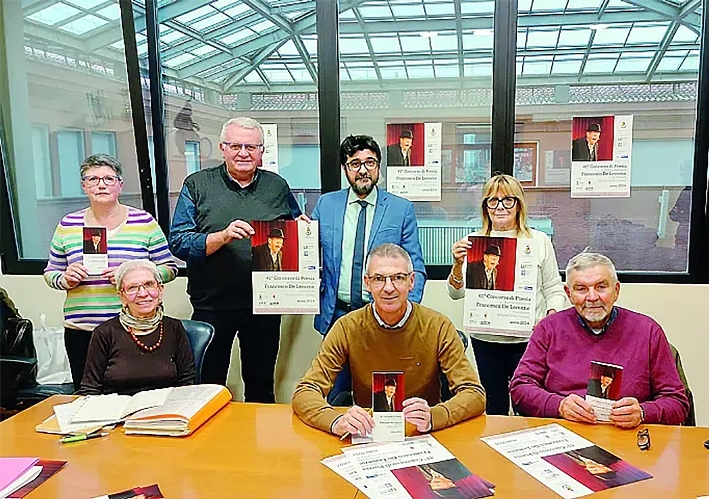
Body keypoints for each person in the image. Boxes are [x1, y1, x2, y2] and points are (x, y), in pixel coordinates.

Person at [169, 117, 301, 402]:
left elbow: (292, 232)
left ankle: (261, 445)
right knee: (207, 388)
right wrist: (222, 236)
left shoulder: (277, 186)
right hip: (212, 305)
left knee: (261, 386)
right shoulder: (197, 184)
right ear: (222, 148)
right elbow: (178, 242)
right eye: (236, 146)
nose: (244, 153)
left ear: (262, 151)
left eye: (252, 146)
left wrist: (303, 230)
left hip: (265, 306)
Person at [292, 243, 485, 436]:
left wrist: (435, 416)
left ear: (412, 281)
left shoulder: (438, 326)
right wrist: (336, 421)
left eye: (398, 278)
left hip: (423, 434)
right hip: (367, 434)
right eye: (378, 279)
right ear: (367, 283)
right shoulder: (347, 327)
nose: (388, 288)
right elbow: (305, 391)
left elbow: (474, 393)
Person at [305, 134, 426, 405]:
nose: (363, 169)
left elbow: (415, 265)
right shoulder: (326, 205)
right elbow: (308, 256)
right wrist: (300, 234)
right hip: (337, 316)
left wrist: (404, 313)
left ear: (379, 168)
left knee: (382, 397)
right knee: (335, 397)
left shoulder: (399, 208)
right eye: (354, 163)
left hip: (382, 318)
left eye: (370, 162)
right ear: (345, 169)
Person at [510, 252, 690, 427]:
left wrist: (643, 412)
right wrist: (559, 405)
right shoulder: (549, 328)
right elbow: (520, 387)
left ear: (616, 290)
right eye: (581, 289)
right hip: (563, 432)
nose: (592, 297)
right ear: (569, 293)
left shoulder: (648, 331)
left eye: (601, 287)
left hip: (629, 438)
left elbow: (677, 403)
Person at [44, 154, 178, 390]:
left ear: (120, 185)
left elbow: (169, 269)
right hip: (82, 329)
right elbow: (50, 273)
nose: (101, 184)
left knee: (137, 397)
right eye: (93, 179)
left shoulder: (143, 222)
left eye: (108, 178)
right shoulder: (68, 224)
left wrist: (133, 274)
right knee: (89, 399)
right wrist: (64, 279)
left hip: (135, 327)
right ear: (84, 186)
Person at [447, 174, 565, 415]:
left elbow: (554, 288)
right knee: (493, 402)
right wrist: (457, 264)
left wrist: (549, 318)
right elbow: (455, 293)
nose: (500, 207)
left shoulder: (538, 241)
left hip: (528, 339)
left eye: (507, 200)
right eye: (493, 201)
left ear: (518, 204)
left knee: (529, 400)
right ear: (485, 207)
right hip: (486, 339)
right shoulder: (473, 243)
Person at [78, 260, 194, 396]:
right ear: (122, 297)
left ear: (160, 290)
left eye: (149, 284)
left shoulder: (174, 328)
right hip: (117, 412)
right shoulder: (104, 333)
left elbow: (187, 383)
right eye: (132, 288)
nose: (143, 293)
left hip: (164, 411)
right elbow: (90, 389)